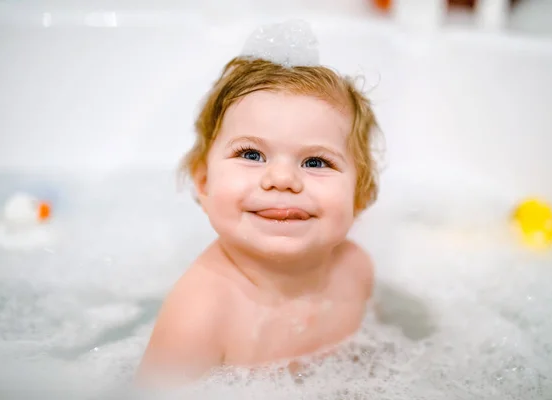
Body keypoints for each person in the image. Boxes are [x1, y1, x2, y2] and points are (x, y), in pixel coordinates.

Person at [135, 20, 381, 387]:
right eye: (251, 154)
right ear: (203, 181)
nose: (282, 180)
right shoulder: (201, 314)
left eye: (316, 162)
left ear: (360, 195)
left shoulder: (355, 270)